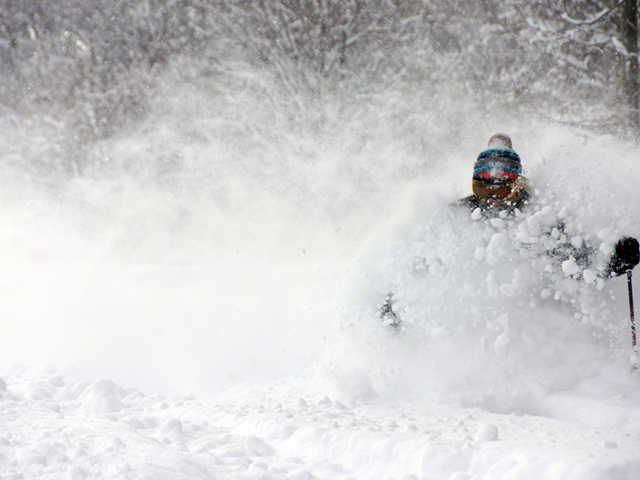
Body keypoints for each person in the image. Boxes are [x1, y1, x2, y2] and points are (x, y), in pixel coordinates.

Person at [379, 133, 639, 328]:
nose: (492, 200)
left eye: (501, 190)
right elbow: (422, 260)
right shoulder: (458, 216)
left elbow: (580, 266)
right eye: (483, 189)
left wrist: (616, 261)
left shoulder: (540, 220)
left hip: (532, 321)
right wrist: (396, 300)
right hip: (472, 322)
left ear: (517, 186)